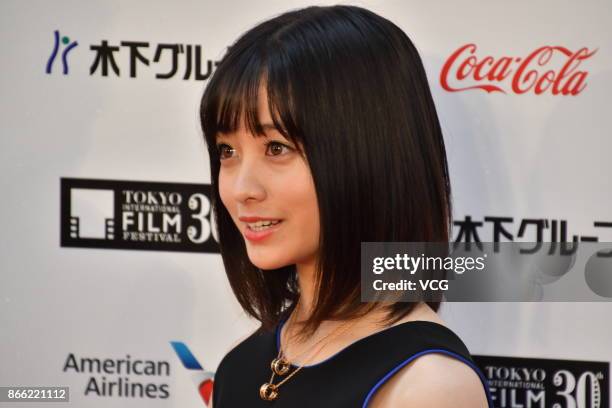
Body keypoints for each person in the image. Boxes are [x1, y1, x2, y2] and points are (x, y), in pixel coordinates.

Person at [199, 4, 492, 407]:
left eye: (277, 148)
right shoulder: (243, 363)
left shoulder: (426, 385)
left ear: (367, 154)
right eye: (227, 150)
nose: (241, 188)